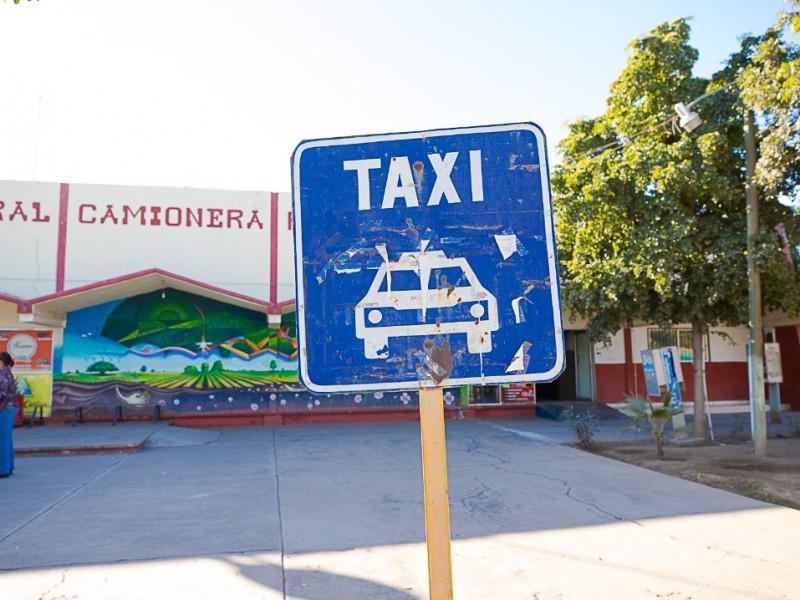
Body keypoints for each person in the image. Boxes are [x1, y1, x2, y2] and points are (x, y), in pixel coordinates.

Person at [0, 351, 17, 478]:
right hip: (10, 408)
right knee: (7, 439)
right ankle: (9, 466)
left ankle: (3, 469)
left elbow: (2, 395)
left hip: (4, 409)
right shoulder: (7, 372)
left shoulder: (2, 374)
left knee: (3, 440)